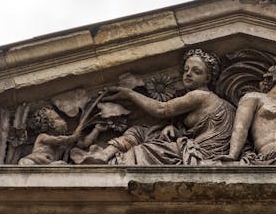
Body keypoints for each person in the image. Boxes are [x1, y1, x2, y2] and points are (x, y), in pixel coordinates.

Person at [86, 49, 235, 164]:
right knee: (144, 131)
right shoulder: (211, 101)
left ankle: (108, 158)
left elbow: (161, 109)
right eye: (186, 70)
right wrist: (177, 132)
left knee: (142, 150)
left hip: (202, 153)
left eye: (196, 71)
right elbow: (201, 130)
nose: (188, 74)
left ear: (208, 78)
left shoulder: (200, 95)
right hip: (199, 148)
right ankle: (104, 155)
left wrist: (129, 94)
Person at [18, 107, 105, 166]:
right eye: (58, 119)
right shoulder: (42, 136)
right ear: (49, 124)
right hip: (34, 160)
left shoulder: (65, 144)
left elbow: (84, 144)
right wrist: (73, 137)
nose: (64, 121)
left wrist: (96, 130)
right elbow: (58, 140)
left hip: (50, 165)